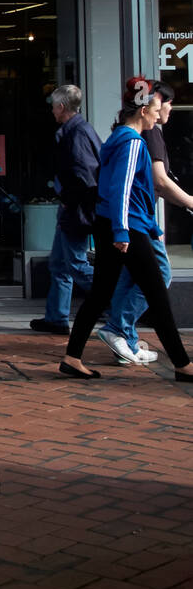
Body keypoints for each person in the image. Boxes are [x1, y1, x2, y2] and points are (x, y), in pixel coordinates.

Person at [61, 77, 193, 382]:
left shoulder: (118, 137)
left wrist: (145, 226)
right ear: (143, 109)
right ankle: (182, 365)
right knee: (157, 295)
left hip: (115, 225)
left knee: (100, 294)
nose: (158, 114)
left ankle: (72, 357)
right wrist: (124, 231)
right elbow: (122, 190)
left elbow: (122, 191)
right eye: (156, 108)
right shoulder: (133, 142)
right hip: (125, 229)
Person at [99, 80, 193, 363]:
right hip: (134, 223)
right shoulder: (138, 137)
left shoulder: (134, 135)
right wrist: (123, 229)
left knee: (126, 280)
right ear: (145, 109)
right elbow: (137, 186)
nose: (166, 109)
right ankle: (120, 330)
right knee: (159, 277)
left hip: (137, 223)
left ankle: (121, 337)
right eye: (162, 103)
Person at [31, 84, 101, 338]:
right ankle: (56, 317)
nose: (51, 110)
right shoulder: (80, 130)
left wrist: (69, 201)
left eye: (53, 106)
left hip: (76, 210)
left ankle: (115, 296)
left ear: (61, 107)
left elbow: (85, 177)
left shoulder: (76, 135)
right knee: (60, 263)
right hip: (75, 208)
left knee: (75, 264)